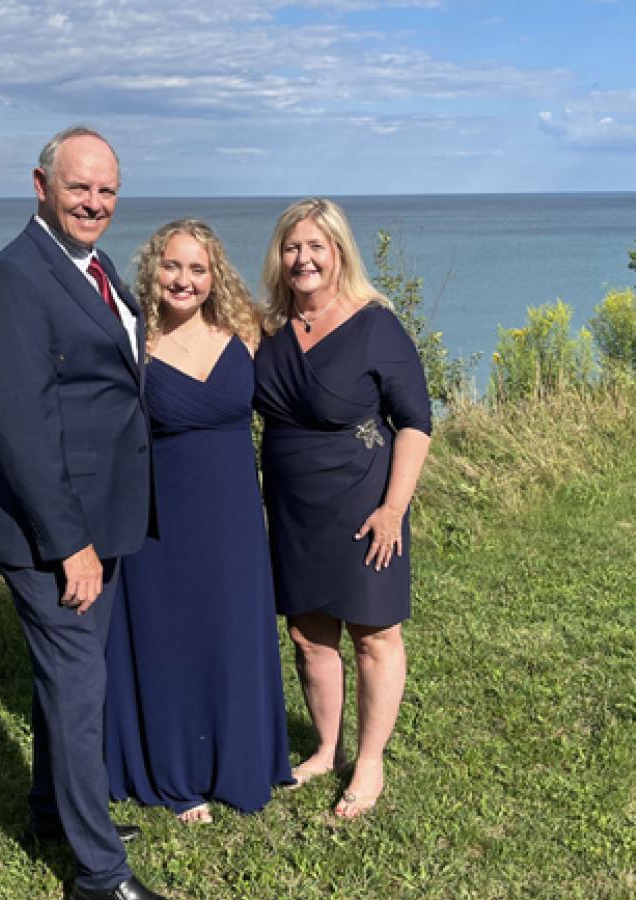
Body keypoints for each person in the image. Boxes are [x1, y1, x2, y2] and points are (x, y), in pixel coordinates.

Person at [0, 125, 170, 900]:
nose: (96, 202)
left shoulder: (95, 267)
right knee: (82, 691)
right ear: (41, 185)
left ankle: (54, 811)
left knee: (69, 684)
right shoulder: (14, 279)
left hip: (97, 518)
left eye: (108, 191)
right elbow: (21, 427)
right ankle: (99, 876)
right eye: (80, 187)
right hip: (57, 536)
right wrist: (70, 545)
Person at [104, 220, 294, 825]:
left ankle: (240, 761)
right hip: (161, 524)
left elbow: (321, 328)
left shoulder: (248, 330)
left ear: (216, 277)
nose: (184, 280)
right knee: (172, 641)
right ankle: (179, 775)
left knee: (232, 634)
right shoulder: (134, 342)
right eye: (173, 267)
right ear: (154, 270)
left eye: (198, 269)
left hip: (235, 518)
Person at [252, 198, 433, 819]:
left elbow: (414, 422)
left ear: (338, 254)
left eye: (315, 247)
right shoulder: (266, 328)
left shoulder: (374, 323)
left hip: (364, 502)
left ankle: (371, 760)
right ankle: (325, 749)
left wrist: (393, 508)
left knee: (375, 633)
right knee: (307, 634)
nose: (302, 258)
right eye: (291, 247)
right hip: (293, 504)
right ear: (279, 257)